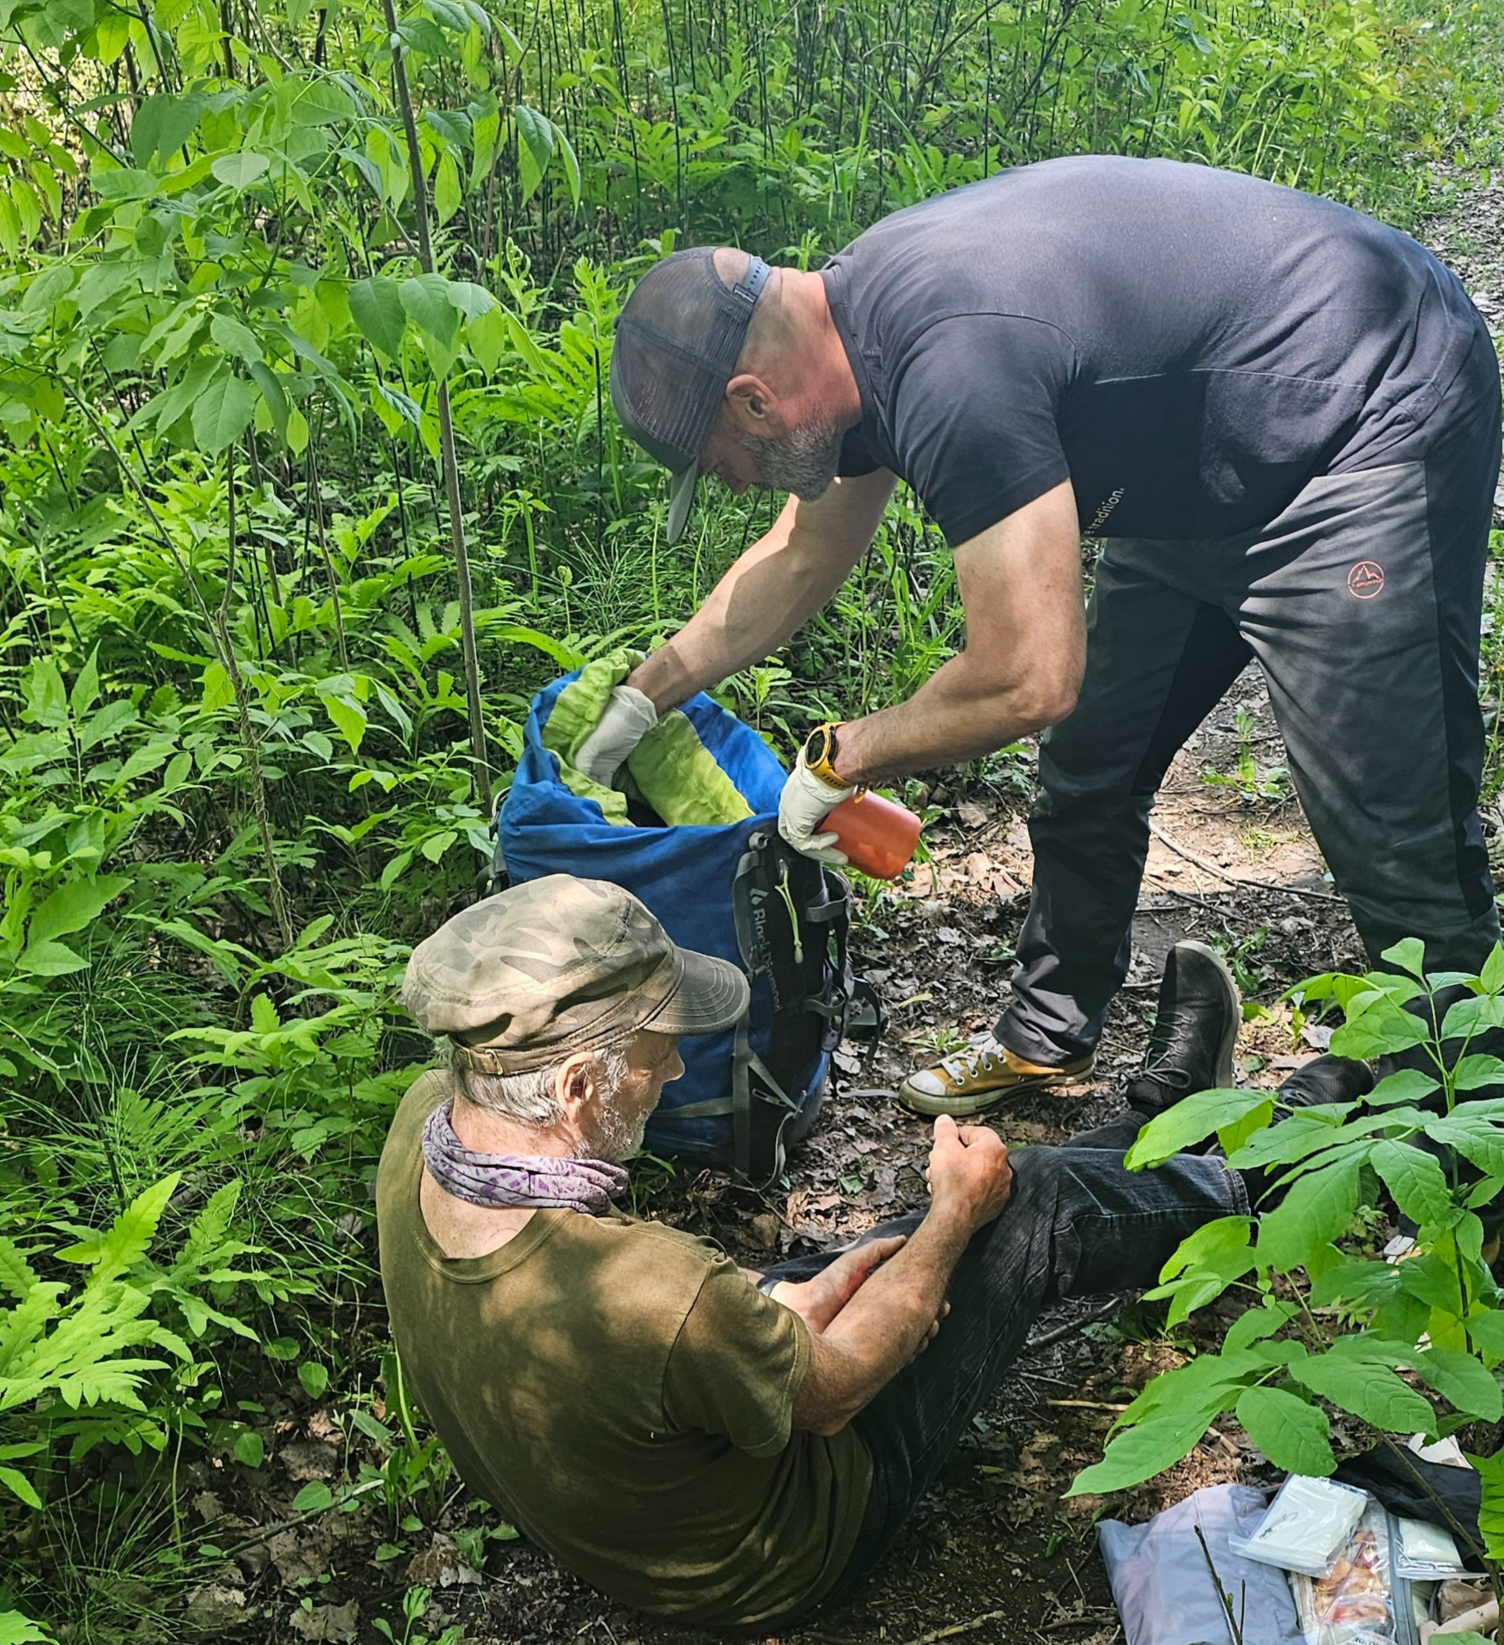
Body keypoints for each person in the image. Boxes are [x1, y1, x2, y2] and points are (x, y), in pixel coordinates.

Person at [585, 156, 1500, 1126]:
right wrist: (649, 693)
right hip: (1197, 456)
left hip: (1364, 408)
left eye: (716, 463)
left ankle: (1469, 1126)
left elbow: (1028, 676)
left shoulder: (950, 364)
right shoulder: (847, 337)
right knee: (1094, 761)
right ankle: (1047, 1032)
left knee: (1390, 822)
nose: (730, 483)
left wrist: (842, 759)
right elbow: (801, 557)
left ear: (754, 401)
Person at [376, 874, 1369, 1634]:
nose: (675, 1066)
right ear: (577, 1091)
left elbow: (688, 1323)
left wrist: (868, 1265)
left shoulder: (428, 1122)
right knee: (1023, 1203)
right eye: (656, 1050)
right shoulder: (653, 1293)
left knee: (949, 1216)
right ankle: (1279, 1166)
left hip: (641, 1499)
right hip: (789, 1548)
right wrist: (948, 1221)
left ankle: (1171, 1122)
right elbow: (836, 1388)